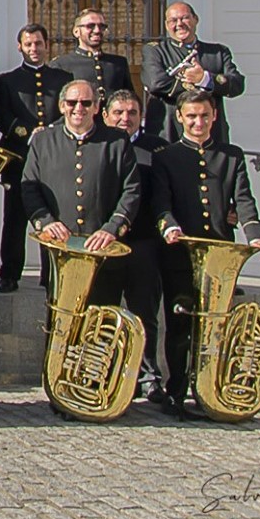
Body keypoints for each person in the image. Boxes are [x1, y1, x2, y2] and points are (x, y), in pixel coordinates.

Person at [152, 91, 260, 419]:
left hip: (219, 251)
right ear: (180, 118)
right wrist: (169, 227)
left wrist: (256, 236)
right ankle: (175, 391)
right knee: (180, 325)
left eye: (204, 116)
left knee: (216, 326)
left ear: (214, 116)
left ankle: (212, 388)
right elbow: (161, 202)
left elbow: (244, 200)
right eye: (191, 117)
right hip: (180, 253)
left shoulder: (231, 156)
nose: (198, 123)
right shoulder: (167, 156)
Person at [18, 80, 141, 307]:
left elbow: (131, 189)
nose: (78, 108)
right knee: (59, 324)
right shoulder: (43, 141)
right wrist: (45, 222)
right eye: (72, 102)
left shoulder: (117, 141)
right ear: (62, 106)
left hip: (102, 249)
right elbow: (29, 186)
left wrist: (112, 228)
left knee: (100, 324)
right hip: (60, 248)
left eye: (86, 103)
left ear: (96, 107)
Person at [0, 24, 72, 293]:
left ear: (46, 45)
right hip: (18, 156)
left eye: (38, 44)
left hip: (54, 158)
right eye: (28, 45)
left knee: (53, 215)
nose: (34, 49)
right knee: (14, 218)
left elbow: (69, 112)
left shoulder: (63, 78)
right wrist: (26, 132)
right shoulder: (6, 81)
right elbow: (1, 115)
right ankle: (9, 273)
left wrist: (51, 132)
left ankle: (50, 273)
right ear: (20, 47)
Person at [103, 89, 169, 400]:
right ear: (105, 116)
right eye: (118, 112)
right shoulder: (97, 145)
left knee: (145, 314)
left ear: (140, 117)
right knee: (105, 313)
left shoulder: (157, 148)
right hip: (106, 244)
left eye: (131, 113)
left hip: (144, 243)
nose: (124, 119)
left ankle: (148, 375)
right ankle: (106, 373)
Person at [141, 2, 245, 143]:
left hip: (210, 135)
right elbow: (156, 83)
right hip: (169, 133)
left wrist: (204, 79)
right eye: (173, 20)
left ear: (196, 19)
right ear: (166, 25)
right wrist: (196, 85)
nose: (179, 24)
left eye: (184, 18)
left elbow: (237, 84)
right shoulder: (155, 51)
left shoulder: (218, 52)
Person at [50, 8, 133, 102]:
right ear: (76, 32)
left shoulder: (119, 63)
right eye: (90, 26)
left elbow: (129, 99)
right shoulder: (62, 65)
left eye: (102, 26)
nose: (97, 30)